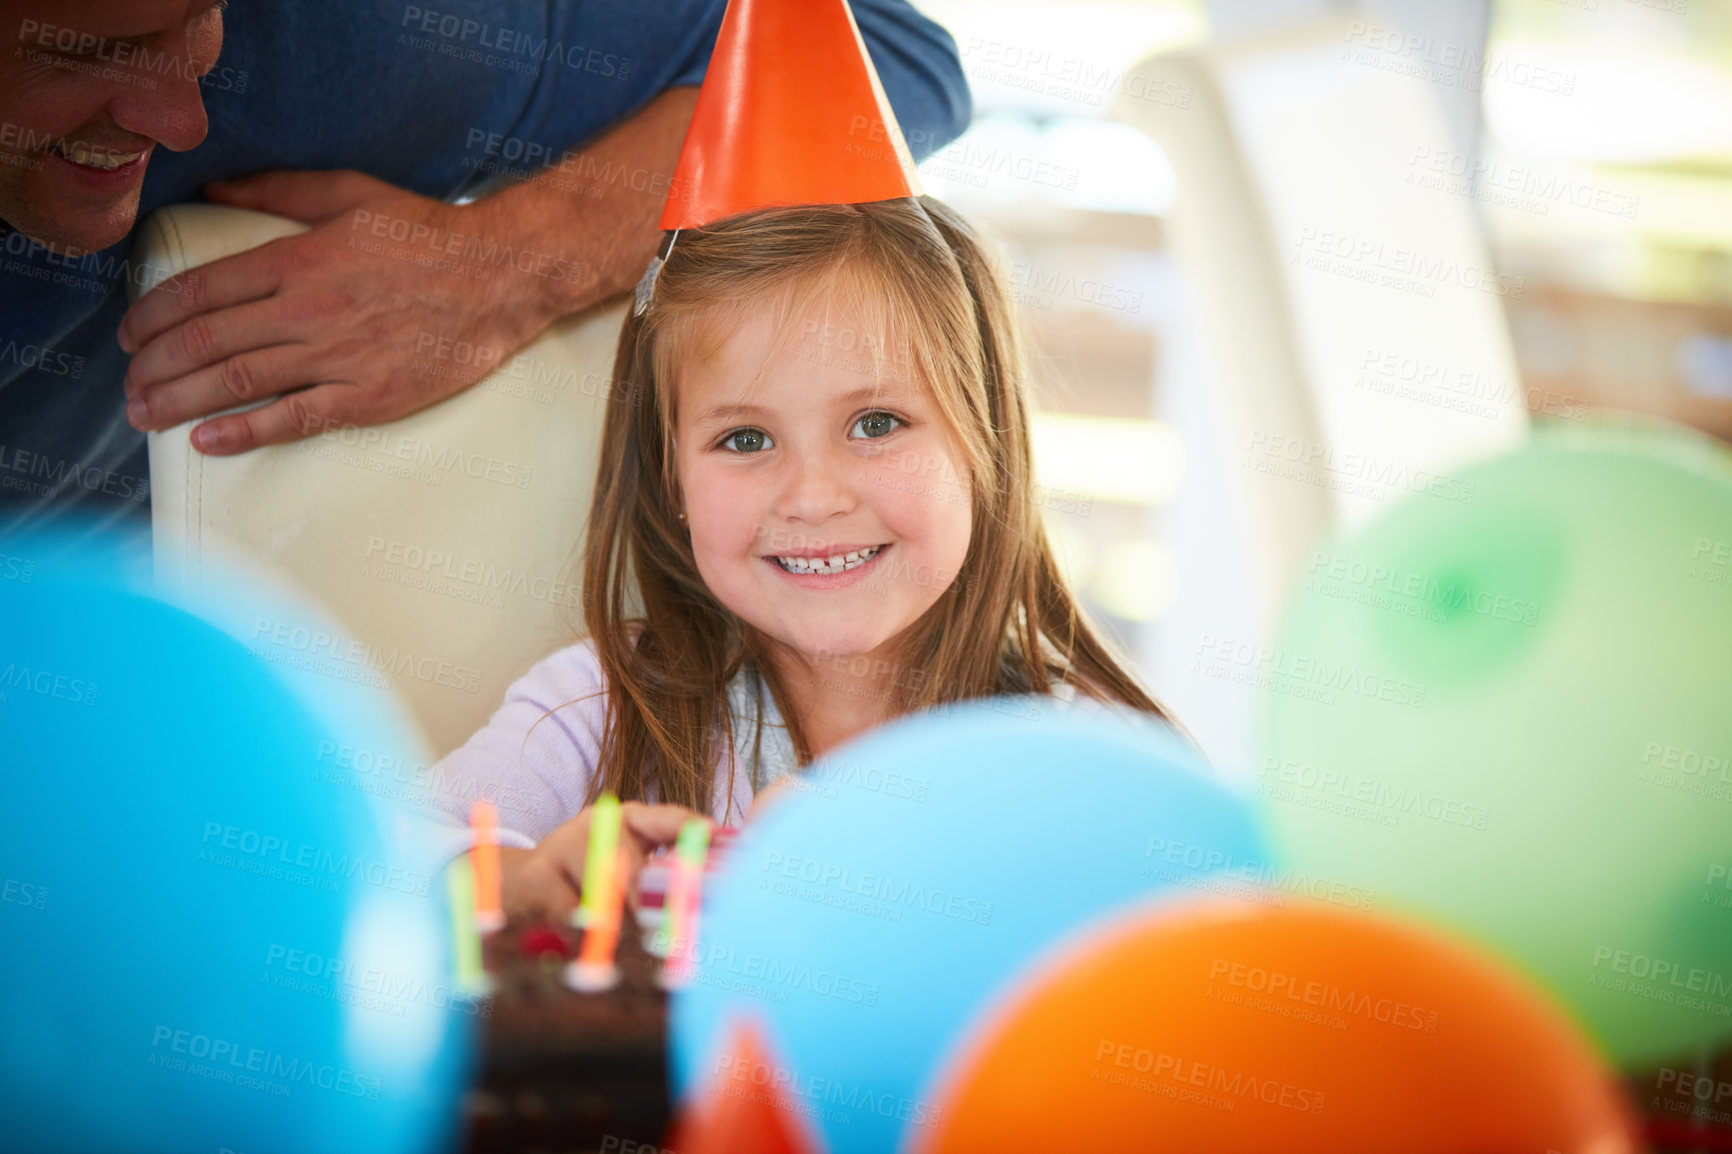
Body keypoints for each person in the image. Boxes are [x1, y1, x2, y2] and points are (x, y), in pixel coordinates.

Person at [435, 196, 1183, 917]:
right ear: (672, 481)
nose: (814, 497)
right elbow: (380, 859)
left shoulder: (1081, 756)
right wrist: (516, 880)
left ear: (983, 440)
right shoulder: (601, 704)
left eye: (877, 422)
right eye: (746, 440)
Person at [0, 0, 970, 536]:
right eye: (97, 52)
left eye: (195, 21)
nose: (184, 121)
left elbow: (874, 59)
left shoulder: (340, 33)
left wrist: (507, 263)